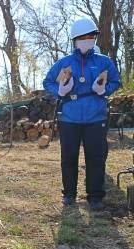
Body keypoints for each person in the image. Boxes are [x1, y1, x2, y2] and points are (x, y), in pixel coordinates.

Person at [43, 18, 120, 210]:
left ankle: (95, 196)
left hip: (96, 117)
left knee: (96, 157)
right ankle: (69, 194)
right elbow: (48, 82)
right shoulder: (64, 63)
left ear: (95, 38)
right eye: (83, 37)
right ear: (75, 40)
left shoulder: (104, 62)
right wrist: (60, 91)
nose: (87, 39)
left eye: (91, 36)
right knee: (69, 157)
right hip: (70, 117)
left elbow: (115, 81)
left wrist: (104, 90)